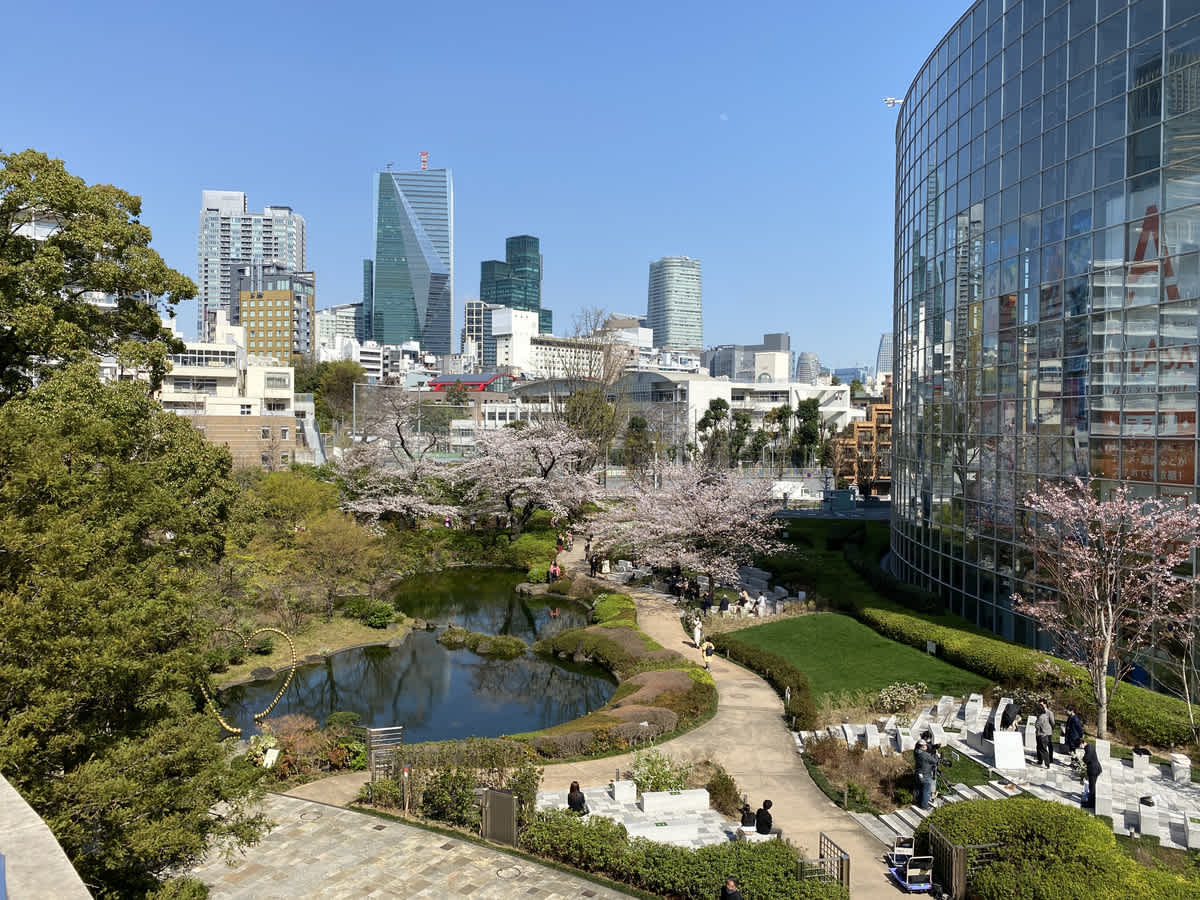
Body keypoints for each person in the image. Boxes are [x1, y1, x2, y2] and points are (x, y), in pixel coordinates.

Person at [914, 738, 938, 810]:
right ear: (921, 746)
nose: (926, 746)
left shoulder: (916, 752)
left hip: (918, 774)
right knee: (926, 791)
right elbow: (934, 761)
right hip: (925, 775)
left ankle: (918, 802)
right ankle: (924, 806)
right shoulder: (925, 755)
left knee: (919, 789)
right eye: (925, 745)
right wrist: (936, 755)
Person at [1082, 741, 1102, 809]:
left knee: (1092, 787)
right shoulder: (1089, 746)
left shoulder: (1088, 749)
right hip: (1096, 768)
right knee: (1092, 787)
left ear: (1082, 743)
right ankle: (1091, 802)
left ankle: (1091, 804)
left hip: (1093, 770)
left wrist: (1082, 758)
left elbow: (1086, 759)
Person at [1035, 701, 1054, 767]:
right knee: (1043, 748)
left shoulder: (1041, 717)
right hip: (1044, 734)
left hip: (1042, 734)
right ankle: (1044, 761)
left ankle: (1047, 762)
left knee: (1043, 748)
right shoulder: (1044, 716)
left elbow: (1037, 725)